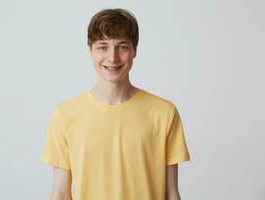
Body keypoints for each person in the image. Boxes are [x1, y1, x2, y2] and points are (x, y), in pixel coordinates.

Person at [41, 8, 190, 200]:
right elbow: (61, 194)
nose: (112, 57)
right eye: (102, 46)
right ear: (90, 51)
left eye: (122, 46)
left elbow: (171, 193)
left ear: (134, 50)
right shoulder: (65, 115)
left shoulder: (164, 113)